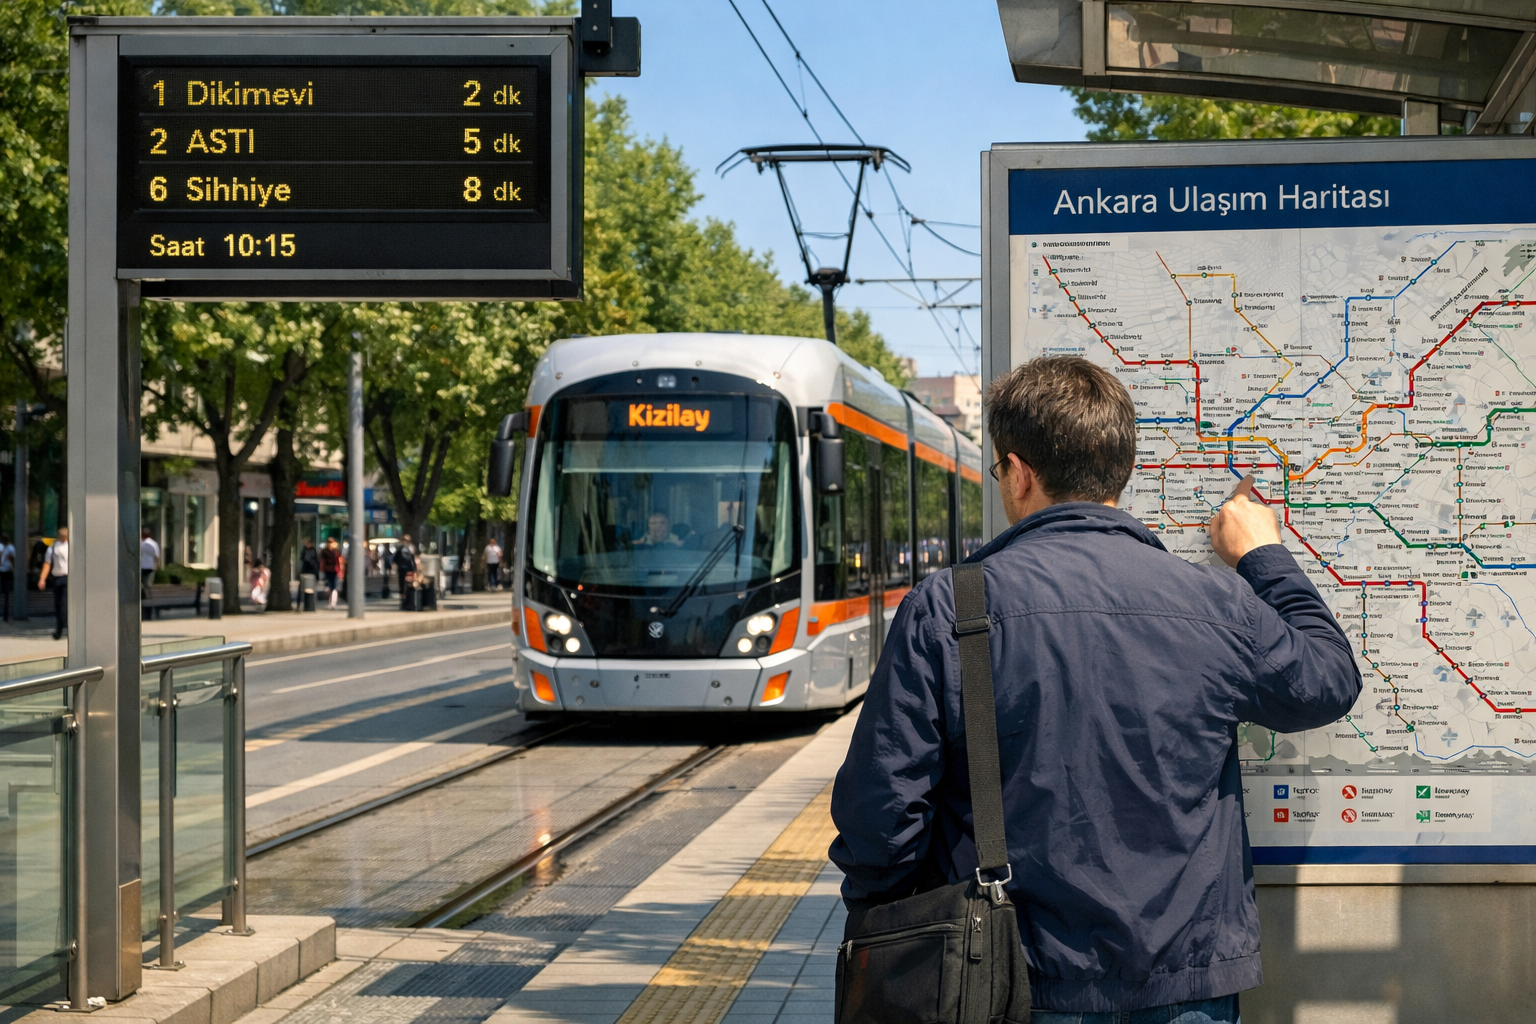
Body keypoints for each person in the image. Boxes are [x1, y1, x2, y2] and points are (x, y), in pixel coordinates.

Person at [828, 356, 1362, 1022]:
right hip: (1183, 988)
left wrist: (901, 924)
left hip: (1005, 982)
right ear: (1120, 470)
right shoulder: (1218, 604)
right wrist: (1263, 556)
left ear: (1018, 472)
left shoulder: (951, 607)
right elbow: (1329, 680)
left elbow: (880, 821)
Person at [37, 527, 69, 641]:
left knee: (63, 604)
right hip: (57, 577)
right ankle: (60, 628)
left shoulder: (71, 546)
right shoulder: (53, 547)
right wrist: (42, 579)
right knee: (59, 604)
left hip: (68, 577)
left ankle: (62, 626)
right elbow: (47, 564)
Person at [320, 537, 345, 609]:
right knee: (329, 586)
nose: (330, 544)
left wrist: (341, 571)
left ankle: (333, 602)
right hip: (327, 570)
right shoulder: (325, 551)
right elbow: (322, 561)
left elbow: (340, 561)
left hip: (335, 570)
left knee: (334, 586)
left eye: (332, 542)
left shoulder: (336, 551)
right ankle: (331, 601)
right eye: (329, 542)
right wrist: (321, 570)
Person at [0, 533, 14, 622]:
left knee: (6, 593)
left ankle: (5, 615)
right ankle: (5, 616)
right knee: (6, 593)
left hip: (7, 571)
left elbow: (14, 559)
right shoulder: (4, 547)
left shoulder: (10, 548)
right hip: (3, 570)